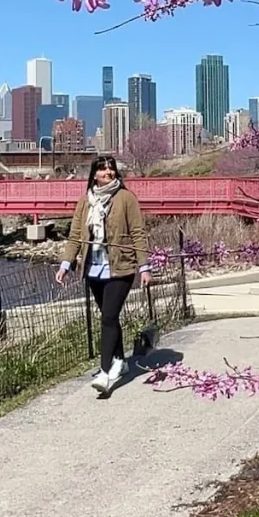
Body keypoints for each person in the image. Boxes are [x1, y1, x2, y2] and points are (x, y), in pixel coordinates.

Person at [55, 155, 151, 394]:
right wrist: (66, 264)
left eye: (111, 169)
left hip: (121, 267)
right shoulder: (85, 201)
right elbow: (76, 234)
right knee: (110, 318)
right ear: (94, 174)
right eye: (103, 169)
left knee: (108, 317)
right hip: (93, 269)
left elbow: (138, 232)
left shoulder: (126, 198)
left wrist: (144, 266)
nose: (108, 173)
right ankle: (121, 361)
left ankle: (106, 372)